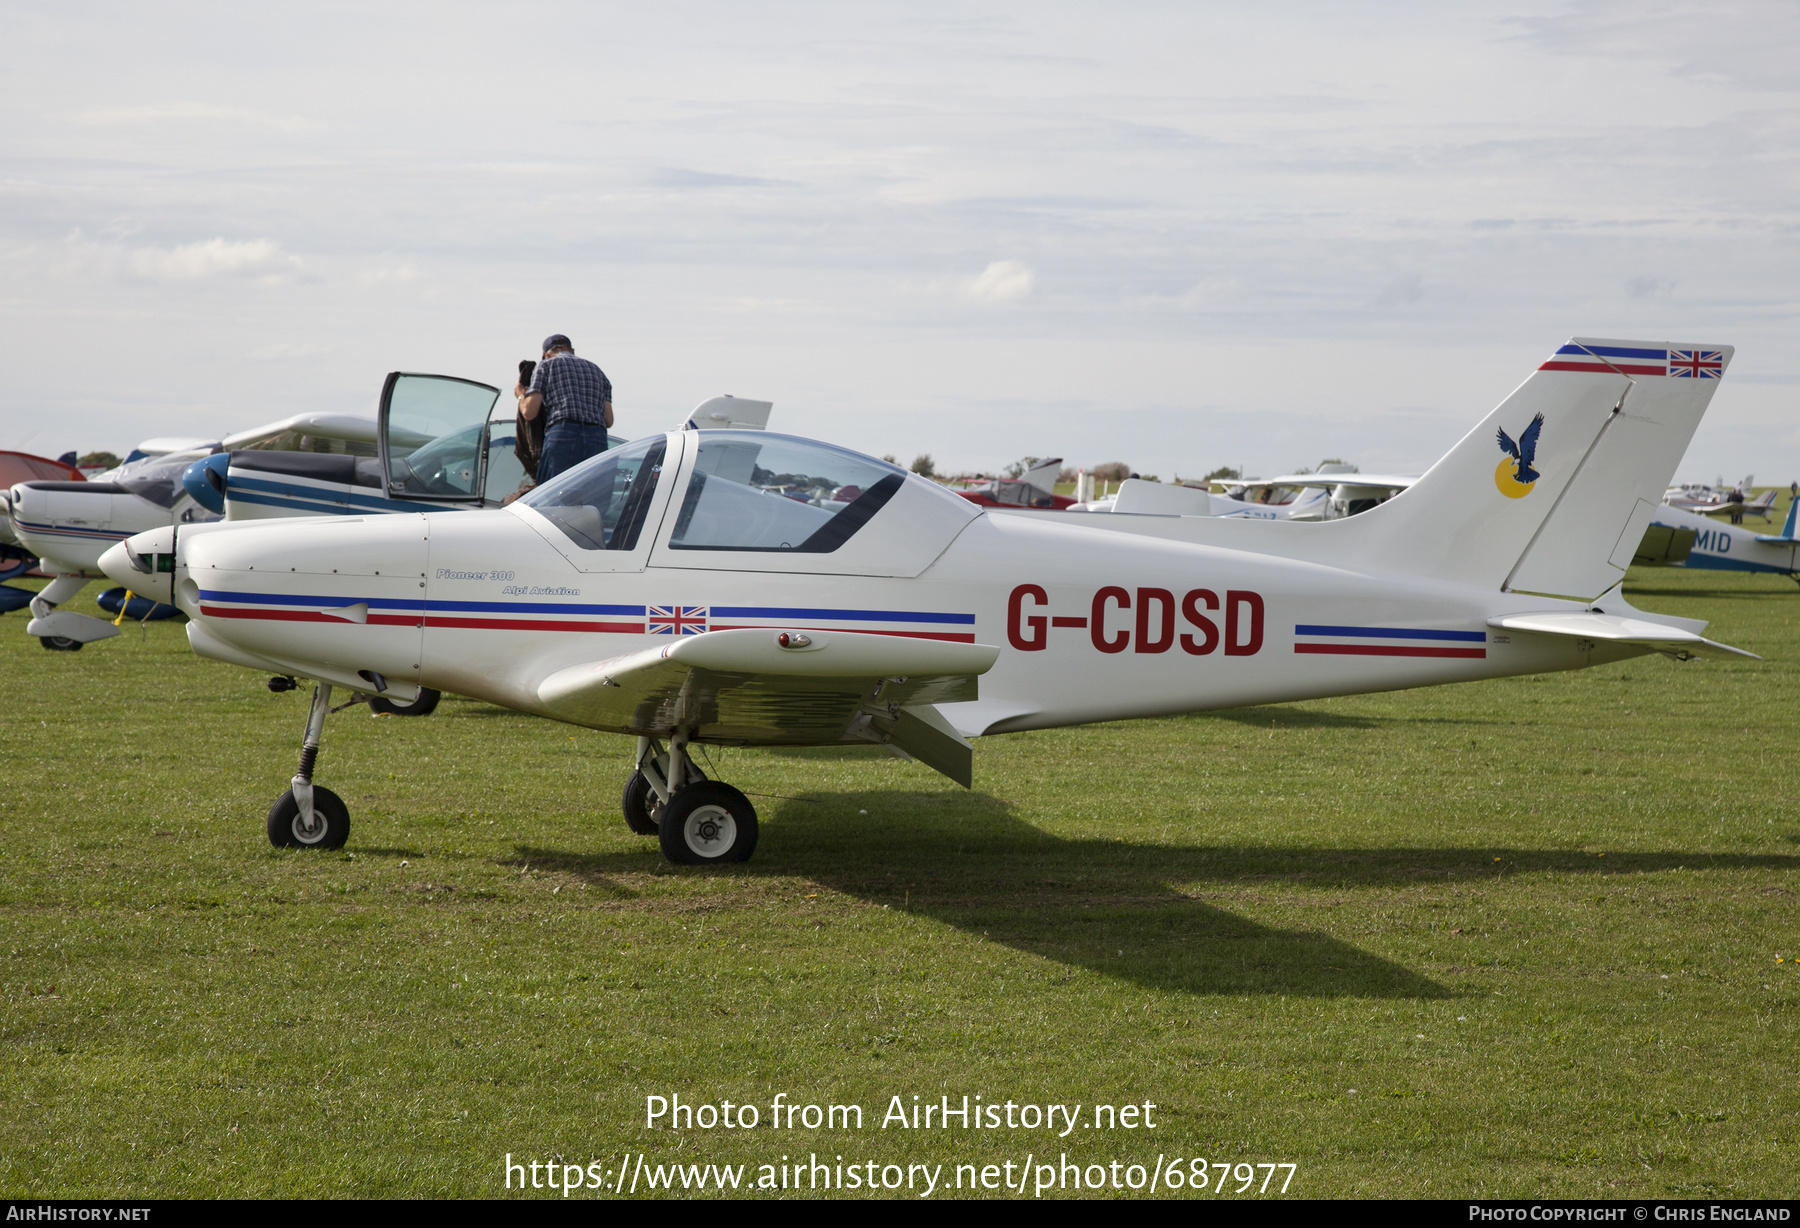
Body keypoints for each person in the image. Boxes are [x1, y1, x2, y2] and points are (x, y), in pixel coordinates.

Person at [516, 334, 612, 484]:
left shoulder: (546, 365)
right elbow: (609, 420)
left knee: (552, 497)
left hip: (562, 434)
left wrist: (521, 395)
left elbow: (529, 412)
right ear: (572, 350)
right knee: (593, 498)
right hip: (596, 437)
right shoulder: (598, 371)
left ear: (546, 354)